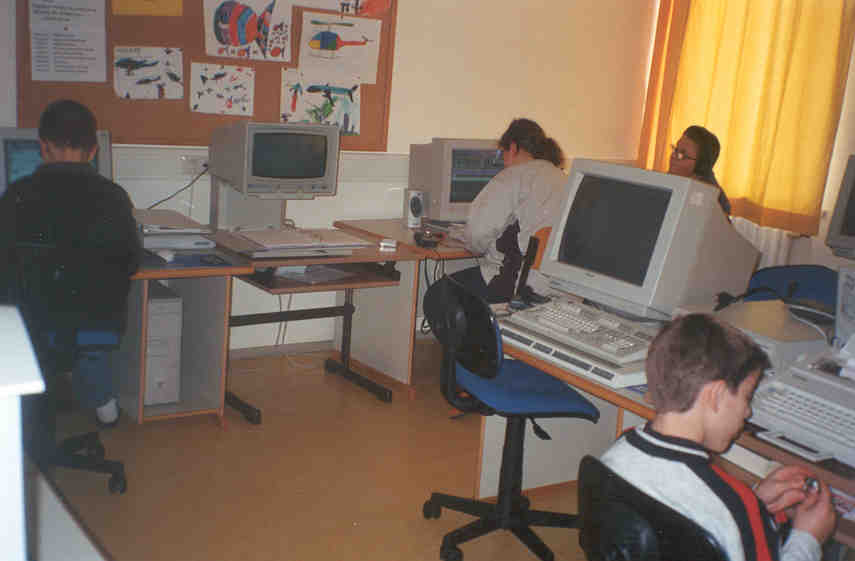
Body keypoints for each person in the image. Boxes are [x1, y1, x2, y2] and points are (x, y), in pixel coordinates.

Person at [601, 314, 836, 561]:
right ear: (716, 395)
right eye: (747, 396)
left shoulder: (619, 449)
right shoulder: (733, 506)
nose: (748, 411)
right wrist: (807, 538)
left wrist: (755, 505)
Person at [0, 99, 141, 427]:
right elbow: (131, 262)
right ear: (93, 151)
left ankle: (26, 414)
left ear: (43, 147)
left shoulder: (16, 195)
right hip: (95, 324)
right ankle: (104, 406)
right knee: (87, 340)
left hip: (32, 326)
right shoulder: (114, 197)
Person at [455, 118, 566, 303]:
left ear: (513, 148)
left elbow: (478, 234)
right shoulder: (563, 178)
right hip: (559, 288)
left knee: (440, 295)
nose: (504, 162)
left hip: (519, 285)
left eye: (503, 153)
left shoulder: (511, 177)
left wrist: (470, 242)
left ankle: (488, 331)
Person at [669, 125, 732, 216]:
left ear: (700, 166)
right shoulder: (671, 181)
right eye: (675, 149)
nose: (673, 156)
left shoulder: (710, 201)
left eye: (682, 154)